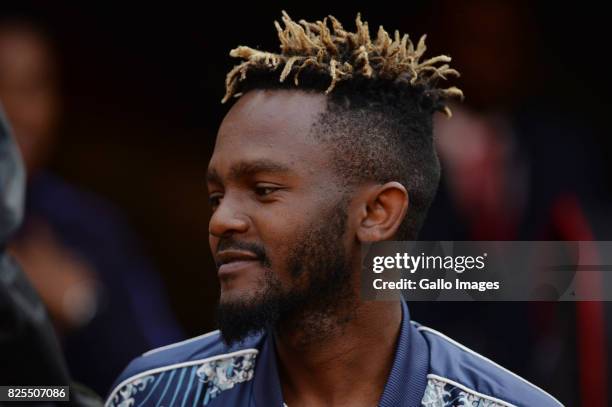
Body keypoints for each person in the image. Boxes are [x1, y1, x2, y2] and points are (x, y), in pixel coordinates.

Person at [106, 12, 562, 406]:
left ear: (377, 213)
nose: (221, 219)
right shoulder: (151, 395)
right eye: (215, 196)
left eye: (263, 190)